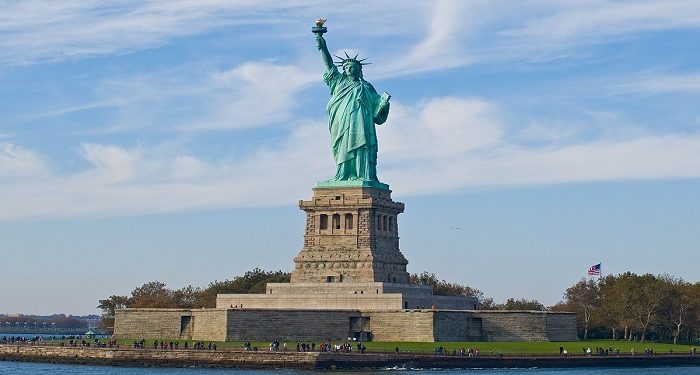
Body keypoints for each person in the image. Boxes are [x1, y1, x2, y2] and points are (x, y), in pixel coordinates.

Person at [315, 32, 391, 183]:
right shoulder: (338, 82)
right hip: (341, 122)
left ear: (358, 70)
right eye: (346, 67)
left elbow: (377, 112)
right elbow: (329, 65)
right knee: (343, 146)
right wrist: (323, 48)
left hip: (361, 123)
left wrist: (383, 104)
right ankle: (342, 174)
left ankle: (363, 174)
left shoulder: (366, 87)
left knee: (362, 145)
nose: (348, 69)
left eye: (352, 67)